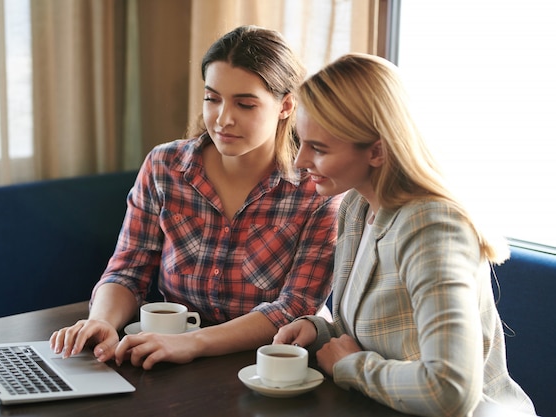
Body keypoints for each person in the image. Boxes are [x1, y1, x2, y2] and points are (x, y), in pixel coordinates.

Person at [50, 26, 340, 370]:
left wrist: (192, 343)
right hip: (174, 352)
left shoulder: (316, 188)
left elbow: (295, 306)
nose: (223, 119)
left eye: (245, 104)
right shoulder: (165, 166)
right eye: (212, 98)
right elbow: (129, 268)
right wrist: (102, 320)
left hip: (274, 367)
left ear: (285, 106)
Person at [273, 53, 536, 417]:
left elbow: (450, 390)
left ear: (377, 151)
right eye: (302, 142)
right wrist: (320, 331)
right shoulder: (356, 206)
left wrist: (350, 367)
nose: (301, 161)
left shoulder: (434, 228)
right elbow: (383, 333)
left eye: (319, 148)